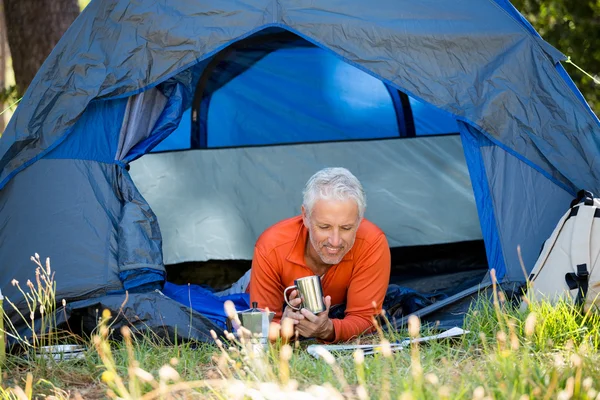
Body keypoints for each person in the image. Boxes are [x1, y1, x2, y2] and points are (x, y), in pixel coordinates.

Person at [248, 167, 391, 342]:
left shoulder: (372, 243)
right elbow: (257, 329)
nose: (335, 241)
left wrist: (327, 330)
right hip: (247, 286)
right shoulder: (271, 246)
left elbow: (365, 320)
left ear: (360, 220)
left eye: (346, 228)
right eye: (324, 227)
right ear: (305, 217)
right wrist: (284, 329)